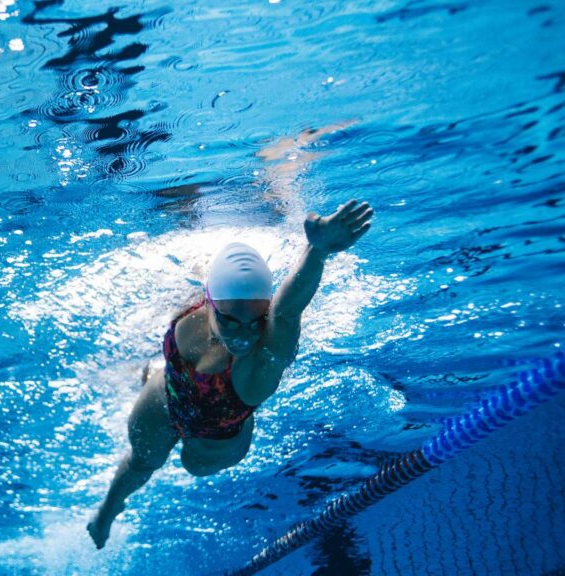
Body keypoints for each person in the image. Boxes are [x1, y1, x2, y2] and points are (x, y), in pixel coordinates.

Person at [86, 198, 373, 549]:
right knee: (142, 461)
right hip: (165, 399)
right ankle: (105, 515)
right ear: (209, 302)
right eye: (230, 320)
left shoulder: (265, 356)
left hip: (217, 436)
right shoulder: (191, 309)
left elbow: (287, 310)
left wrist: (317, 251)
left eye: (256, 322)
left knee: (194, 464)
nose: (244, 334)